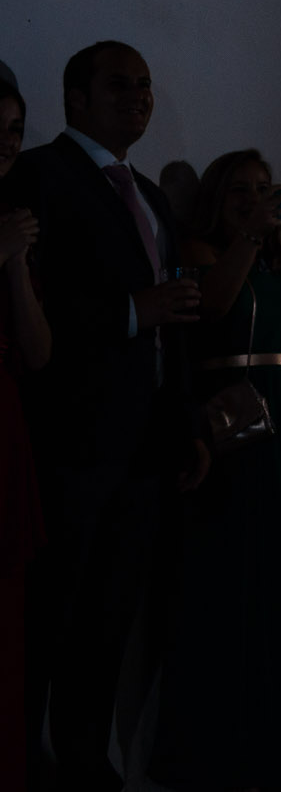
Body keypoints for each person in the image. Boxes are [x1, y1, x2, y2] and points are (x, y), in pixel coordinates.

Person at [1, 41, 207, 791]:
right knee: (49, 620)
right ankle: (24, 762)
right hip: (72, 444)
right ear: (75, 98)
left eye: (147, 85)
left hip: (145, 447)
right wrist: (129, 311)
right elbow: (33, 308)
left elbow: (174, 319)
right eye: (120, 85)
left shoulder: (150, 196)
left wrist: (184, 421)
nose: (140, 97)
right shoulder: (39, 175)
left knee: (109, 622)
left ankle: (85, 763)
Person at [150, 150, 281, 792]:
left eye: (264, 189)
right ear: (216, 197)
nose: (252, 198)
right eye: (239, 189)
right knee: (236, 574)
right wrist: (248, 233)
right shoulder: (202, 252)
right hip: (237, 429)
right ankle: (227, 748)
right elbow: (209, 310)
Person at [0, 84, 51, 792]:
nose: (8, 142)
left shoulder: (12, 218)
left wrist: (13, 260)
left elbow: (39, 351)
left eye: (15, 128)